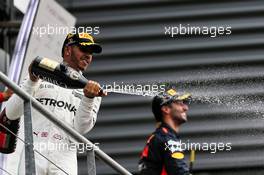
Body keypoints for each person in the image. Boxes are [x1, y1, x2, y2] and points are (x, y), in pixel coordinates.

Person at [5, 32, 106, 174]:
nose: (88, 56)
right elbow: (11, 112)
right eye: (84, 49)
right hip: (34, 147)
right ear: (68, 50)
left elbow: (80, 129)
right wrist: (31, 81)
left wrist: (88, 99)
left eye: (91, 52)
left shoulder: (91, 90)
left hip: (65, 155)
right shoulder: (40, 74)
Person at [138, 88, 191, 175]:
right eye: (180, 103)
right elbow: (180, 172)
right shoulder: (168, 139)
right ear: (166, 109)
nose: (185, 108)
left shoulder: (160, 136)